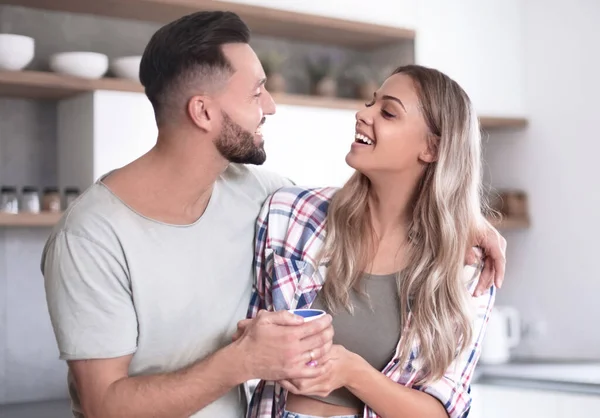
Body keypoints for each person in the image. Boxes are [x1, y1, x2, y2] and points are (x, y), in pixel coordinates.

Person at [40, 10, 505, 418]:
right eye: (256, 93)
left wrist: (463, 223)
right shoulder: (90, 237)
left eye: (388, 111)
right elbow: (105, 405)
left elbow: (384, 205)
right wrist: (245, 360)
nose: (271, 106)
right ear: (202, 111)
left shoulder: (259, 196)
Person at [243, 65, 496, 418]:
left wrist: (352, 372)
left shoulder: (467, 268)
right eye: (370, 103)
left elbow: (441, 410)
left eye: (388, 112)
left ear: (432, 148)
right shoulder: (291, 214)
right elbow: (244, 340)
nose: (362, 114)